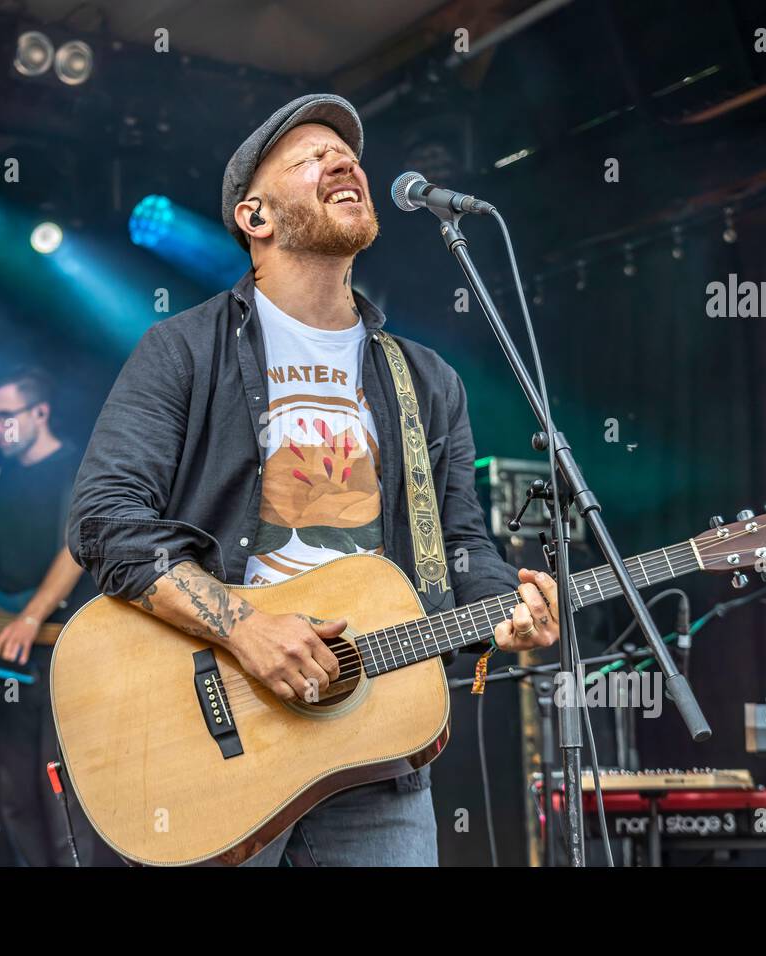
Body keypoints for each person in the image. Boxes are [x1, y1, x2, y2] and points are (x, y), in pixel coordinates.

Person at [67, 94, 561, 867]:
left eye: (348, 155)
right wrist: (242, 625)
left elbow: (459, 540)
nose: (343, 162)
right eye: (310, 157)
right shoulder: (182, 351)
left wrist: (508, 606)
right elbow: (105, 517)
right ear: (254, 218)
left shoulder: (426, 382)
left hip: (377, 747)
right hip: (219, 746)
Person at [0, 367, 117, 866]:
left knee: (60, 792)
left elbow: (75, 547)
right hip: (3, 662)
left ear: (39, 413)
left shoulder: (81, 471)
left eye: (6, 417)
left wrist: (31, 617)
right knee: (14, 798)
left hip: (64, 656)